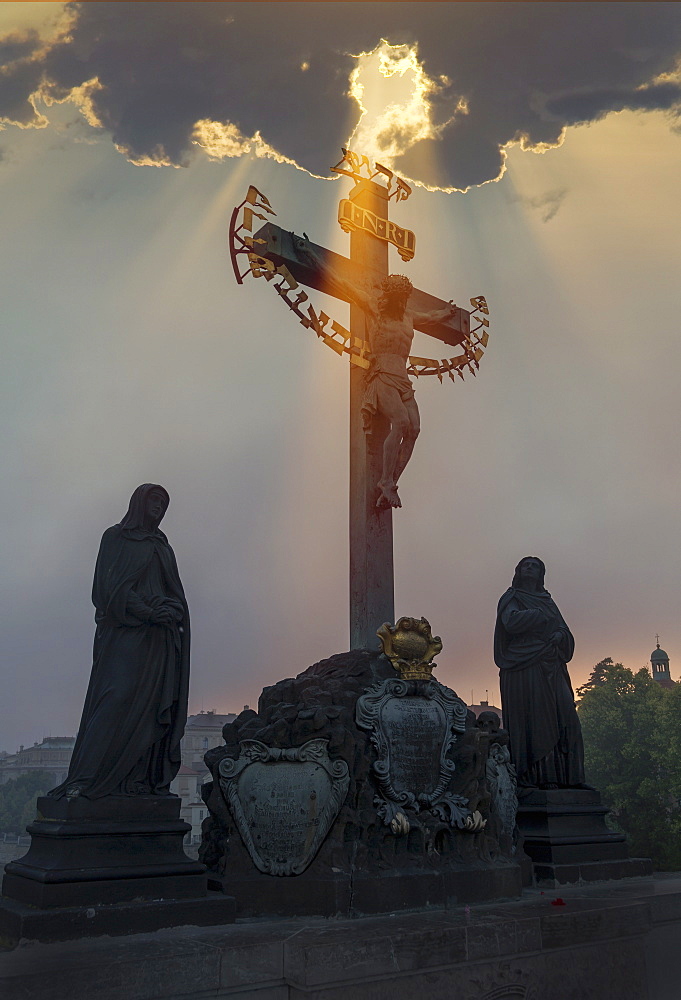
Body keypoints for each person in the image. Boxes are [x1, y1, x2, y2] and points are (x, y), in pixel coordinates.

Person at [292, 234, 457, 508]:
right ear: (388, 295)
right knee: (401, 423)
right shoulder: (373, 308)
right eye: (397, 296)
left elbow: (433, 317)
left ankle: (390, 481)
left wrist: (449, 313)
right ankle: (385, 482)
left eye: (404, 297)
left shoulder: (409, 317)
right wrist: (309, 254)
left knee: (414, 429)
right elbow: (339, 282)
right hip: (382, 374)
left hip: (403, 379)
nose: (401, 301)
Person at [49, 484, 190, 800]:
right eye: (154, 500)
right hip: (125, 635)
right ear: (139, 503)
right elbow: (106, 589)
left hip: (159, 641)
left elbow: (174, 593)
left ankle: (137, 781)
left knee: (151, 707)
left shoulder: (163, 547)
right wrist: (148, 611)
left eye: (164, 502)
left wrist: (171, 610)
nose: (159, 506)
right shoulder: (115, 537)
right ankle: (86, 779)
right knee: (115, 698)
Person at [493, 556, 586, 789]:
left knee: (568, 716)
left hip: (551, 663)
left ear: (541, 574)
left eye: (536, 566)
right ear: (519, 571)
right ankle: (543, 778)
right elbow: (511, 623)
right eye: (526, 565)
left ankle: (572, 778)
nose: (530, 568)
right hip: (525, 666)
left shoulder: (547, 600)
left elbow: (563, 630)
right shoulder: (511, 598)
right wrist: (539, 616)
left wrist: (560, 636)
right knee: (537, 720)